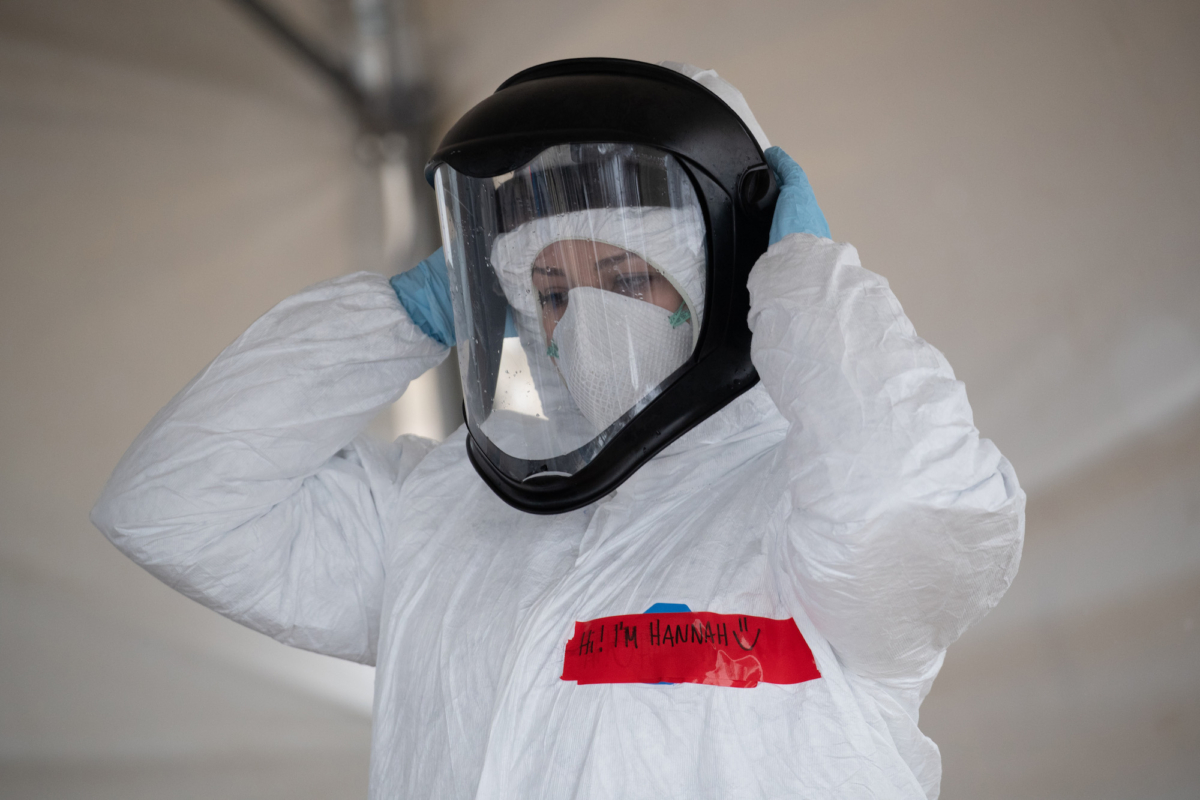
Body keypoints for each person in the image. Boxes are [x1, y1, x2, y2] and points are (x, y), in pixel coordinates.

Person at [92, 62, 1024, 799]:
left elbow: (920, 511)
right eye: (549, 289)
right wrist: (405, 316)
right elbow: (174, 507)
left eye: (625, 278)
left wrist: (807, 284)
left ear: (732, 275)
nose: (583, 320)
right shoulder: (443, 512)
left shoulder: (809, 513)